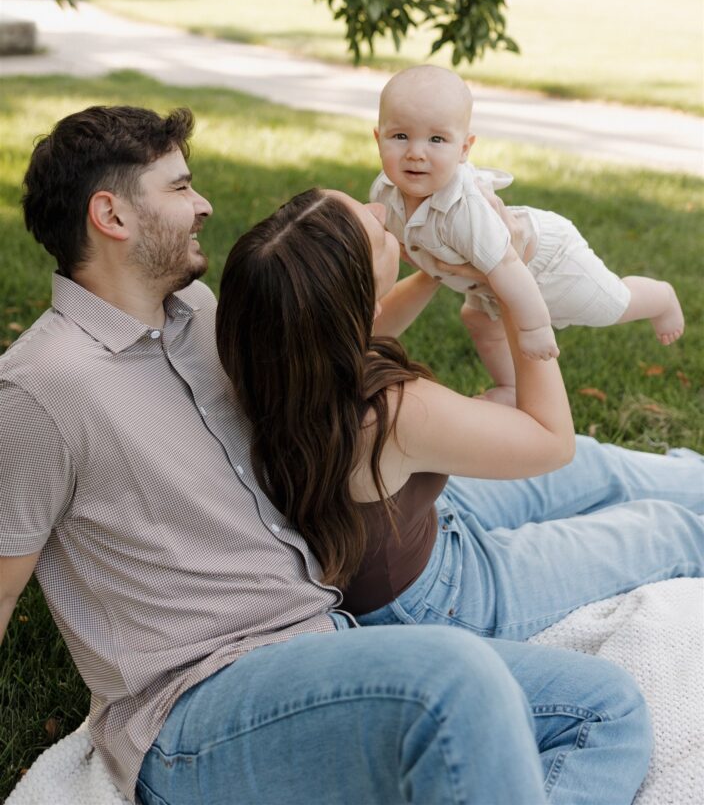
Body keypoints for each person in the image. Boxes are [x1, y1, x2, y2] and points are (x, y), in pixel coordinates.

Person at [0, 104, 654, 805]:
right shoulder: (40, 387)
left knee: (606, 708)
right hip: (197, 706)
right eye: (180, 187)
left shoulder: (195, 312)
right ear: (112, 216)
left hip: (322, 641)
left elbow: (331, 336)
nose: (205, 204)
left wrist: (434, 266)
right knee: (456, 672)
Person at [216, 186, 703, 641]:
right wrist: (512, 279)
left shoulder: (271, 358)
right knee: (668, 530)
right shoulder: (392, 414)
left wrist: (435, 268)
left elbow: (371, 323)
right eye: (373, 228)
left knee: (600, 469)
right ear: (350, 299)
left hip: (417, 518)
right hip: (438, 599)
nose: (382, 211)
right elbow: (552, 441)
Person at [370, 64, 685, 403]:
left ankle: (660, 298)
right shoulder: (385, 192)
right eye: (400, 136)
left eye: (437, 139)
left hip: (544, 261)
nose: (416, 152)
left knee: (609, 305)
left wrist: (534, 328)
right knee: (477, 318)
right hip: (484, 277)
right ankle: (511, 387)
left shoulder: (463, 209)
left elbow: (508, 266)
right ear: (378, 138)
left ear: (464, 149)